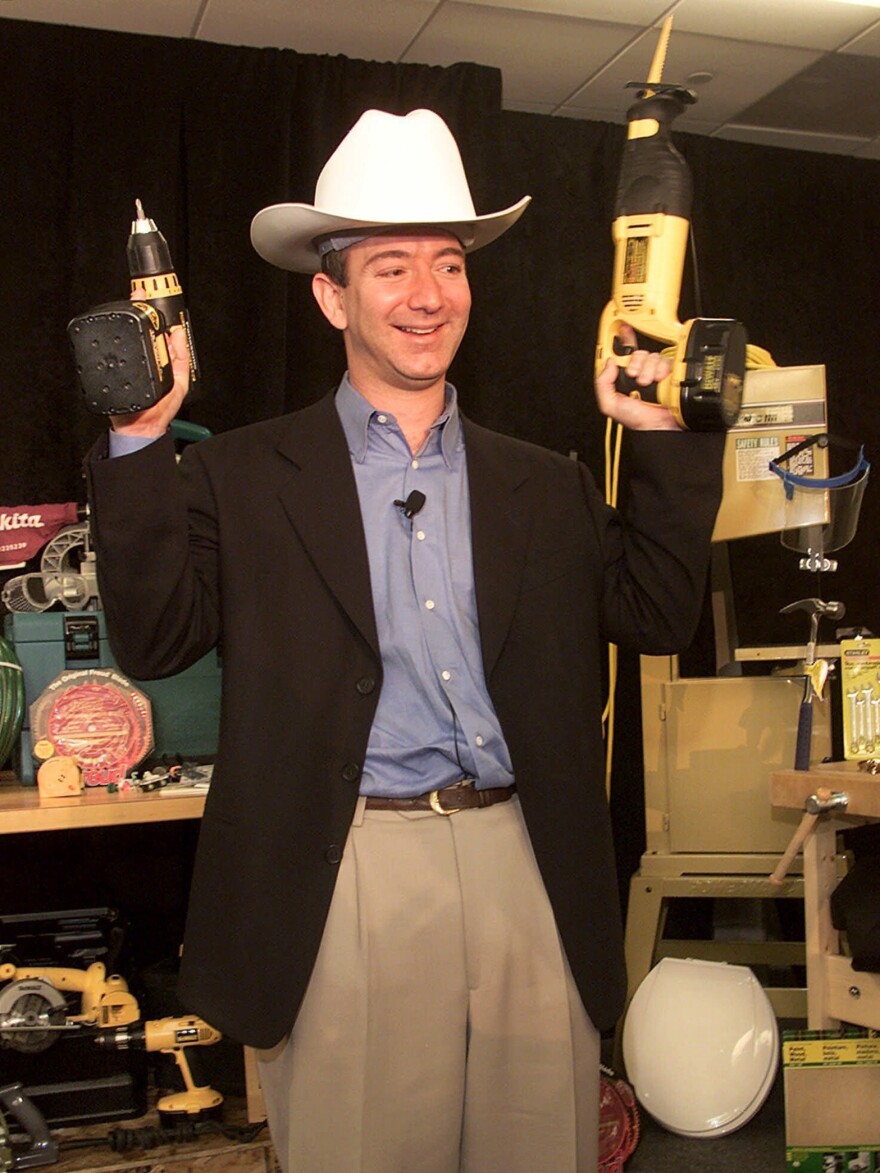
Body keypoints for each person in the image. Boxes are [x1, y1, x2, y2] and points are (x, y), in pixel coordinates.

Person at [86, 108, 723, 1172]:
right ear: (332, 295)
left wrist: (657, 434)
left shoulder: (543, 482)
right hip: (344, 878)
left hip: (529, 869)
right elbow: (153, 643)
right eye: (390, 268)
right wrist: (142, 437)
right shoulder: (239, 478)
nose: (428, 296)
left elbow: (657, 612)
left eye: (447, 265)